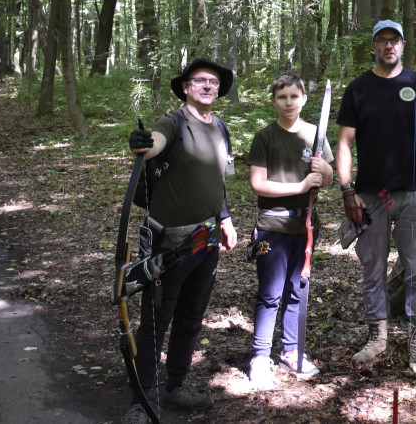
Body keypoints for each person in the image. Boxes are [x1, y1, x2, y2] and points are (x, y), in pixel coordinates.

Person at [336, 20, 416, 375]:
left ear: (403, 45)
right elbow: (344, 144)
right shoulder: (358, 89)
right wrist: (347, 190)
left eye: (395, 40)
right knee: (371, 268)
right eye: (382, 40)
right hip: (370, 196)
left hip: (413, 193)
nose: (389, 46)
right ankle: (378, 337)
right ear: (374, 45)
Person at [124, 59, 239, 424]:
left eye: (213, 82)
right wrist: (143, 143)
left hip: (207, 241)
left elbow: (217, 181)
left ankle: (175, 386)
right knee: (156, 320)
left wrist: (226, 218)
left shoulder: (221, 128)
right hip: (170, 244)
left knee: (190, 317)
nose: (207, 86)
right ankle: (140, 400)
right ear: (186, 87)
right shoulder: (172, 123)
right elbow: (154, 144)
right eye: (199, 81)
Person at [246, 73, 334, 389]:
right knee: (270, 294)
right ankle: (260, 356)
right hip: (272, 226)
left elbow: (327, 177)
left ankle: (292, 350)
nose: (288, 103)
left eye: (294, 97)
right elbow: (258, 183)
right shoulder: (265, 137)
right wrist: (298, 185)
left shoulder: (315, 135)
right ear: (274, 101)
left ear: (303, 99)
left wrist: (325, 172)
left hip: (305, 225)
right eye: (282, 97)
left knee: (296, 291)